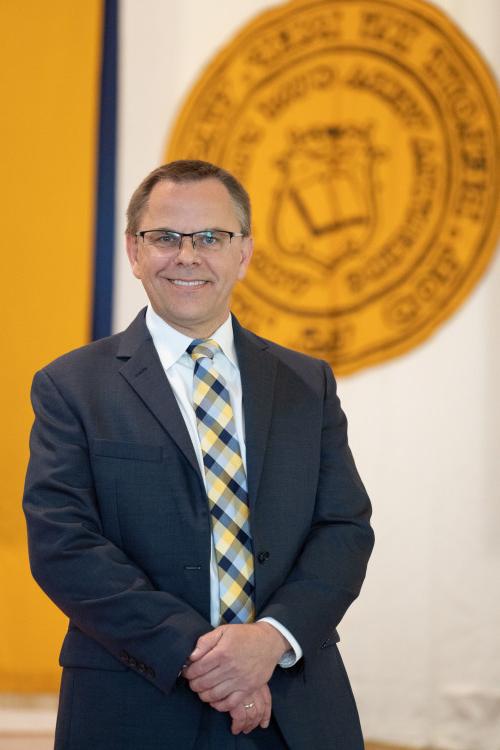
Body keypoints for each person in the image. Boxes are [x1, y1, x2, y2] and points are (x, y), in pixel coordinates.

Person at [23, 160, 374, 749]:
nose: (188, 256)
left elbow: (343, 529)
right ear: (134, 252)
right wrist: (205, 659)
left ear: (245, 252)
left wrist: (270, 640)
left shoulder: (305, 383)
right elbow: (65, 545)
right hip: (134, 703)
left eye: (211, 237)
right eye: (165, 237)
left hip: (292, 705)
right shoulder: (71, 386)